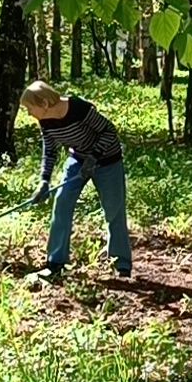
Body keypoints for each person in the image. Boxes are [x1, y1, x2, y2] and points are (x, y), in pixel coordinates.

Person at [21, 80, 130, 284]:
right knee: (61, 203)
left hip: (108, 161)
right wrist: (44, 181)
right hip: (78, 160)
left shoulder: (79, 108)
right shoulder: (45, 121)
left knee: (114, 210)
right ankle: (55, 263)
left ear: (44, 103)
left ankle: (121, 265)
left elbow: (109, 131)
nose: (28, 113)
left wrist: (94, 156)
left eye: (29, 108)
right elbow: (50, 150)